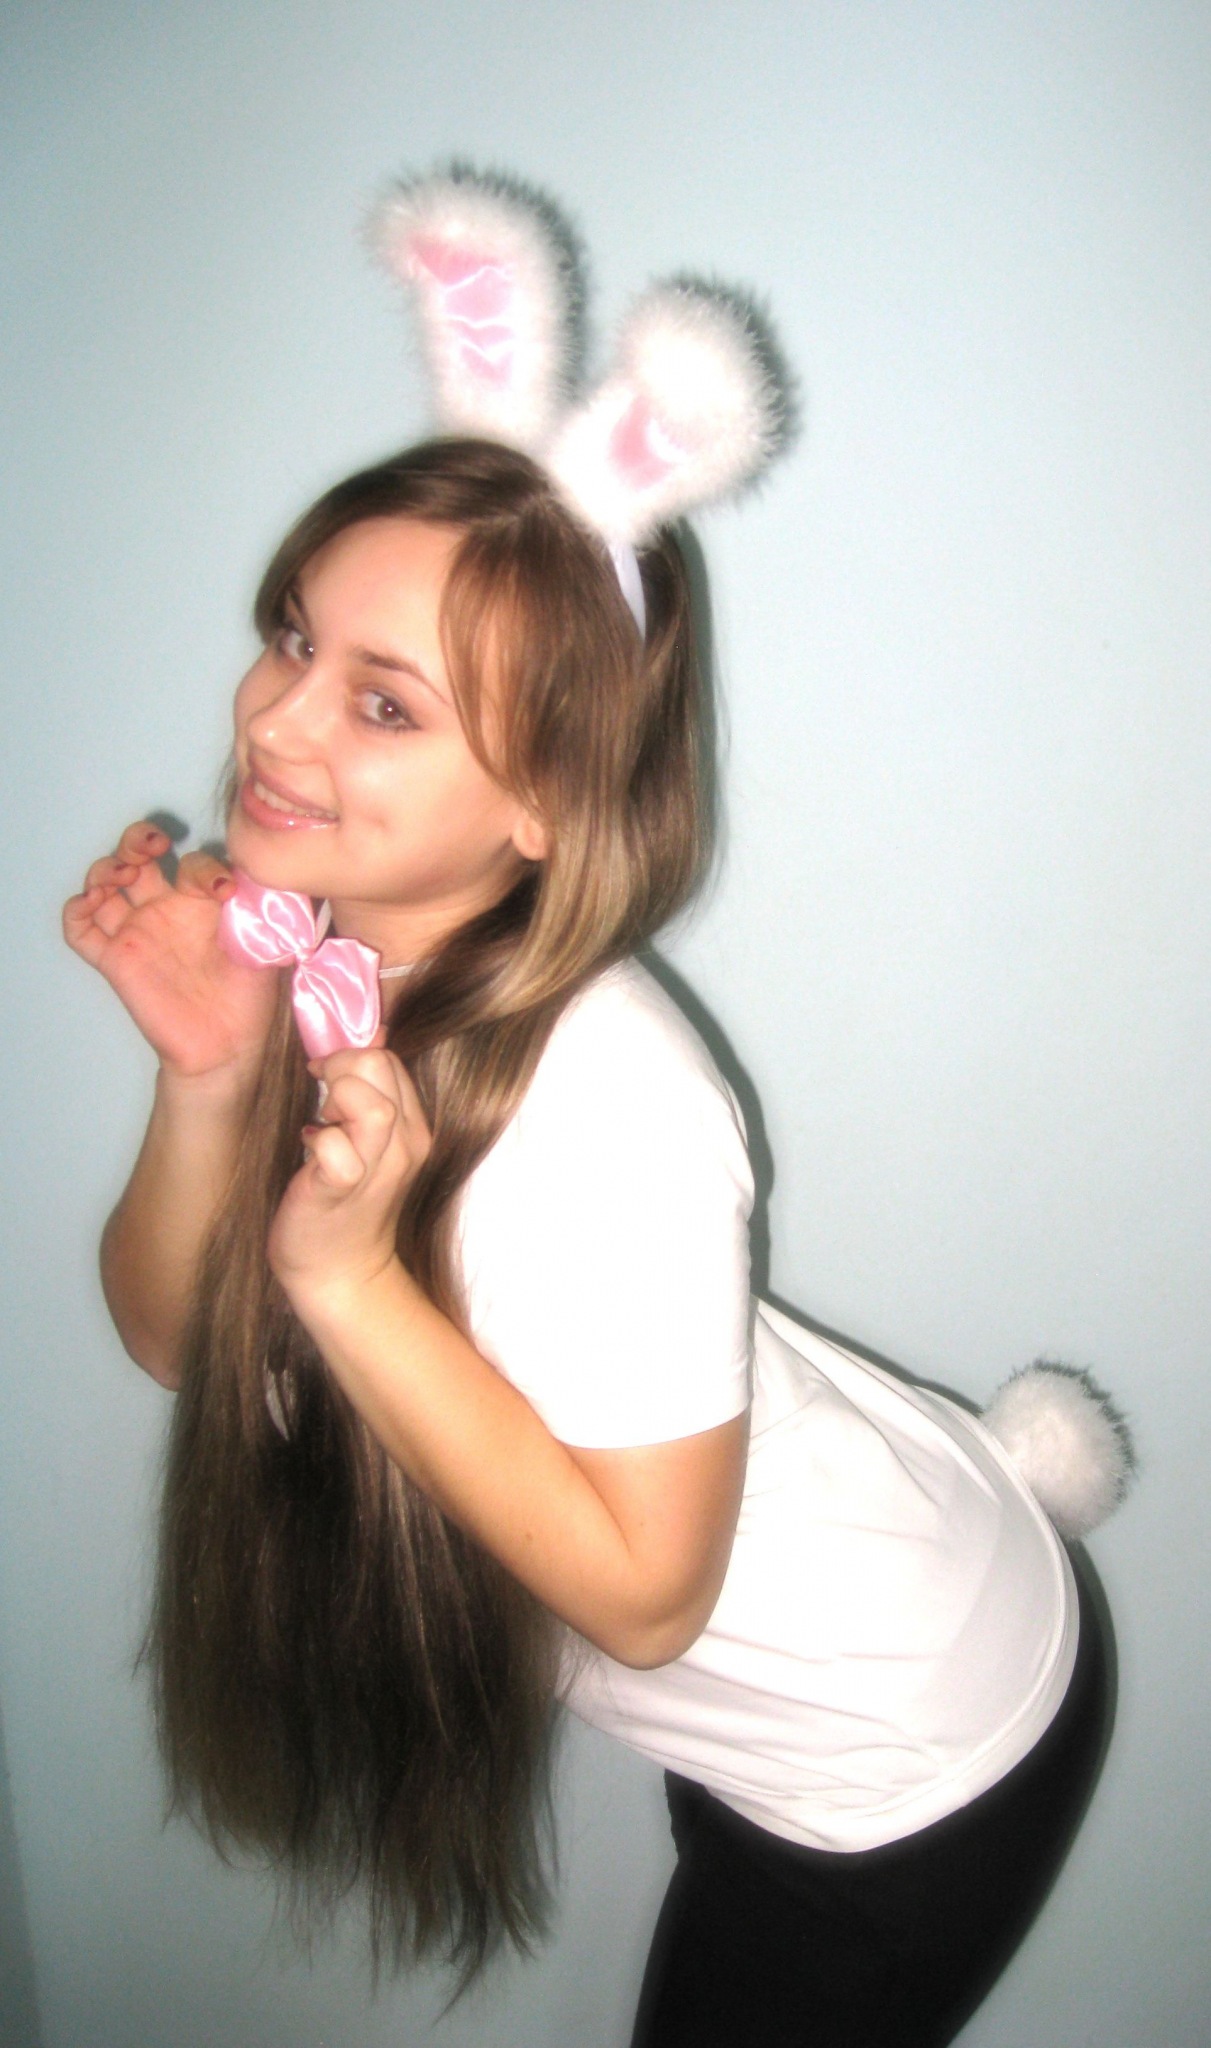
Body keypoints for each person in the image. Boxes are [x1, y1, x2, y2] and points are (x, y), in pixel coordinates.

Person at [62, 176, 1122, 2048]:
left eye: (384, 705)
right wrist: (208, 1071)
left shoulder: (615, 1100)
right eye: (295, 637)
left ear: (548, 800)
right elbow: (171, 1337)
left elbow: (642, 1602)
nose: (275, 723)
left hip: (913, 1746)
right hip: (790, 1650)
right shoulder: (328, 956)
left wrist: (348, 1278)